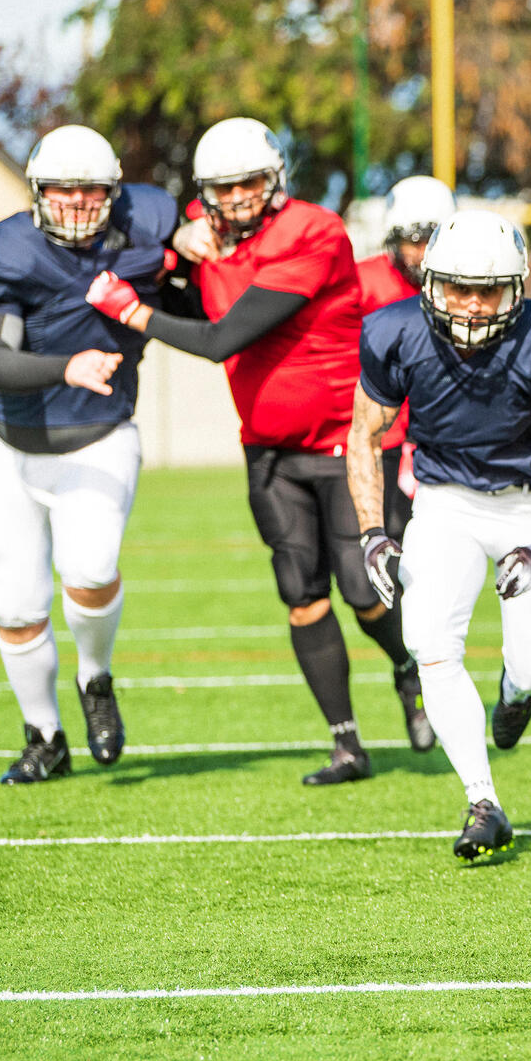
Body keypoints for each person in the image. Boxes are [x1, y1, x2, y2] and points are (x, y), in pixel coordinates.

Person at [85, 116, 429, 778]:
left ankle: (409, 668)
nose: (238, 197)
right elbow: (189, 291)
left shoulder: (315, 234)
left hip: (342, 439)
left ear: (275, 180)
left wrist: (132, 312)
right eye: (224, 186)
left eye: (250, 182)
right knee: (301, 592)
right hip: (268, 445)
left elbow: (220, 339)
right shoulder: (207, 227)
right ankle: (347, 742)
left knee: (363, 589)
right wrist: (177, 253)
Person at [347, 210, 531, 861]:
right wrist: (373, 533)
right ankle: (482, 800)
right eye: (459, 286)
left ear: (517, 287)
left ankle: (516, 694)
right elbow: (365, 434)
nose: (473, 303)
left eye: (489, 288)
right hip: (446, 502)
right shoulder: (395, 331)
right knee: (429, 640)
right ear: (430, 280)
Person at [0, 125, 175, 783]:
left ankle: (96, 677)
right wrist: (65, 366)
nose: (79, 202)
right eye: (64, 189)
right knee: (15, 604)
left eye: (92, 190)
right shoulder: (6, 253)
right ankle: (45, 736)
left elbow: (193, 229)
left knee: (91, 568)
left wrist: (192, 243)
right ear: (37, 191)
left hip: (101, 434)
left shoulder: (148, 221)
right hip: (9, 443)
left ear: (114, 191)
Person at [357, 175, 457, 543]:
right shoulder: (366, 280)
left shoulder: (469, 284)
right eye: (411, 240)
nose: (421, 250)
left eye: (431, 237)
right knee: (391, 535)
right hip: (388, 432)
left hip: (449, 432)